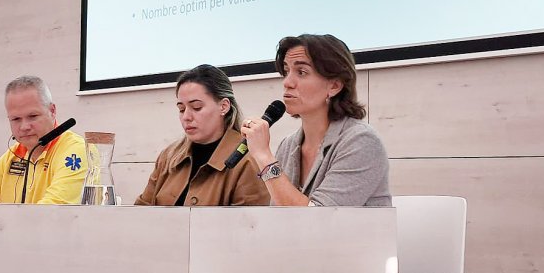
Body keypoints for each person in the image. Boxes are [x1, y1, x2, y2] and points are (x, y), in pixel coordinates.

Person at [240, 34, 391, 207]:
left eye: (301, 72)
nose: (287, 82)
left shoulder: (361, 142)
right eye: (287, 71)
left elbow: (318, 221)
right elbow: (279, 217)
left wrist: (264, 156)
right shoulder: (288, 145)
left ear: (334, 86)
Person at [134, 64, 270, 207]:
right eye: (181, 109)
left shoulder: (248, 160)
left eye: (196, 107)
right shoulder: (169, 156)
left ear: (224, 106)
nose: (186, 116)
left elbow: (249, 225)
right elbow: (140, 213)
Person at [0, 75, 87, 204]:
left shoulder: (76, 150)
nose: (24, 127)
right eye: (16, 119)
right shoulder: (13, 154)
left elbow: (53, 211)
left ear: (52, 111)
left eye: (32, 116)